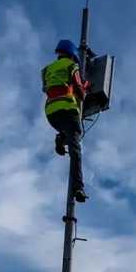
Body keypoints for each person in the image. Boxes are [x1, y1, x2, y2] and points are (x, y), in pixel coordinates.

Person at [41, 39, 89, 202]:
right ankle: (78, 188)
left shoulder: (46, 69)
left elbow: (49, 88)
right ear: (73, 55)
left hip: (51, 113)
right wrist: (84, 89)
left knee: (69, 132)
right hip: (68, 109)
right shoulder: (72, 66)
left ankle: (61, 137)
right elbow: (80, 92)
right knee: (76, 146)